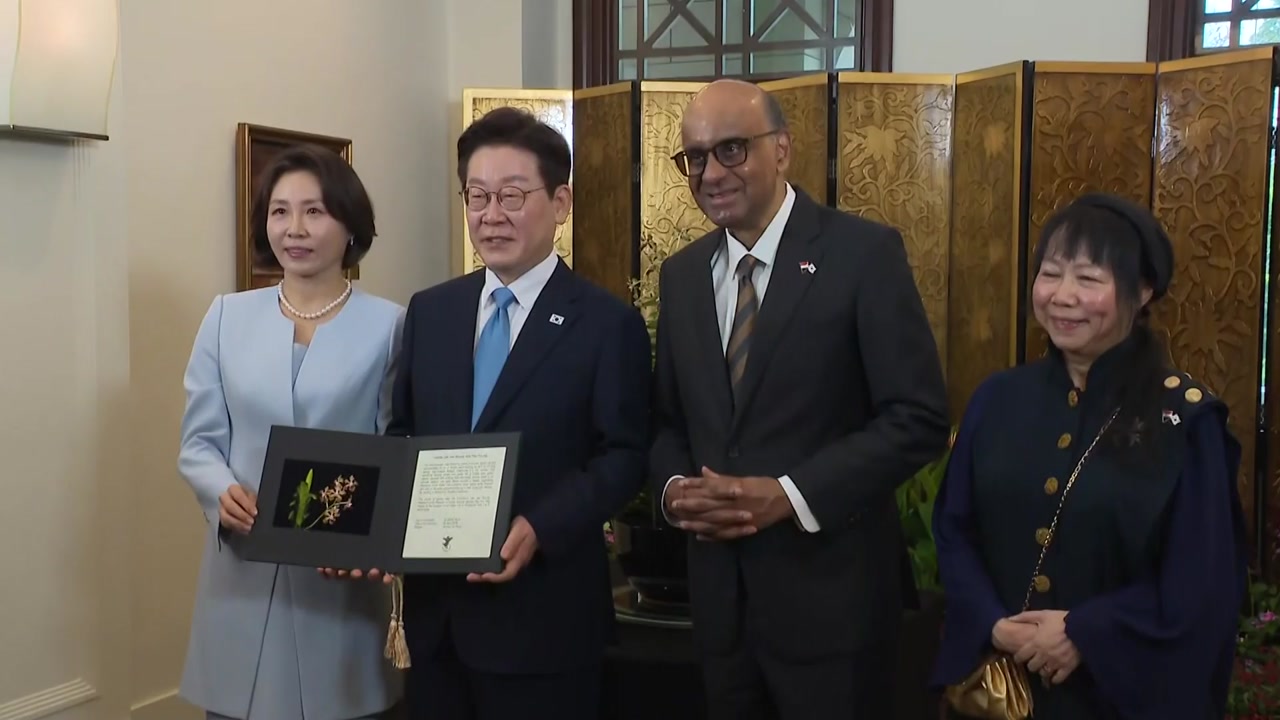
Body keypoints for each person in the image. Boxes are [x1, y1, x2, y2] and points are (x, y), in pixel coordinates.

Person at [650, 79, 951, 719]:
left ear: (782, 149)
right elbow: (669, 421)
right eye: (695, 157)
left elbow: (918, 417)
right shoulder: (682, 276)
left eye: (731, 149)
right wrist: (674, 490)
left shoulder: (863, 254)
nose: (711, 173)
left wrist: (790, 495)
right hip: (721, 612)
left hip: (834, 610)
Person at [930, 192, 1249, 719]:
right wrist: (992, 622)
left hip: (1118, 696)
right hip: (999, 687)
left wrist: (1087, 632)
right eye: (1051, 274)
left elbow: (1203, 583)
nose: (1063, 296)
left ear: (1142, 291)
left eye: (1088, 278)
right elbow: (954, 528)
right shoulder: (998, 399)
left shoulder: (1185, 421)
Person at [384, 106, 652, 720]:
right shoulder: (431, 311)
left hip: (545, 620)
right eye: (477, 196)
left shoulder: (606, 324)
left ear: (560, 203)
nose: (491, 215)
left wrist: (541, 526)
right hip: (438, 623)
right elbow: (403, 434)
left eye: (511, 195)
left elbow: (624, 456)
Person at [177, 144, 404, 720]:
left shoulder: (390, 325)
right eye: (280, 212)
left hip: (339, 580)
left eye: (314, 211)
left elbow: (395, 447)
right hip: (243, 569)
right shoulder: (226, 316)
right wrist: (218, 490)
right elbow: (200, 440)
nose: (294, 229)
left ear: (349, 223)